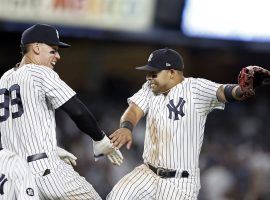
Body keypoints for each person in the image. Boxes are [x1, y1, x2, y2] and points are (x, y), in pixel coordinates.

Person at [107, 48, 269, 199]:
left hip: (180, 182)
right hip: (147, 172)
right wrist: (126, 128)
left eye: (154, 73)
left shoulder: (196, 88)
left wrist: (244, 88)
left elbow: (225, 92)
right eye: (148, 73)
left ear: (171, 73)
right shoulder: (149, 88)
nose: (149, 77)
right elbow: (134, 110)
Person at [0, 24, 123, 199]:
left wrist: (49, 147)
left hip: (12, 177)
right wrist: (100, 138)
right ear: (36, 47)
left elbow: (13, 127)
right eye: (53, 50)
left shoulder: (4, 79)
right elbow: (77, 110)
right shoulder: (40, 72)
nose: (58, 56)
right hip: (44, 170)